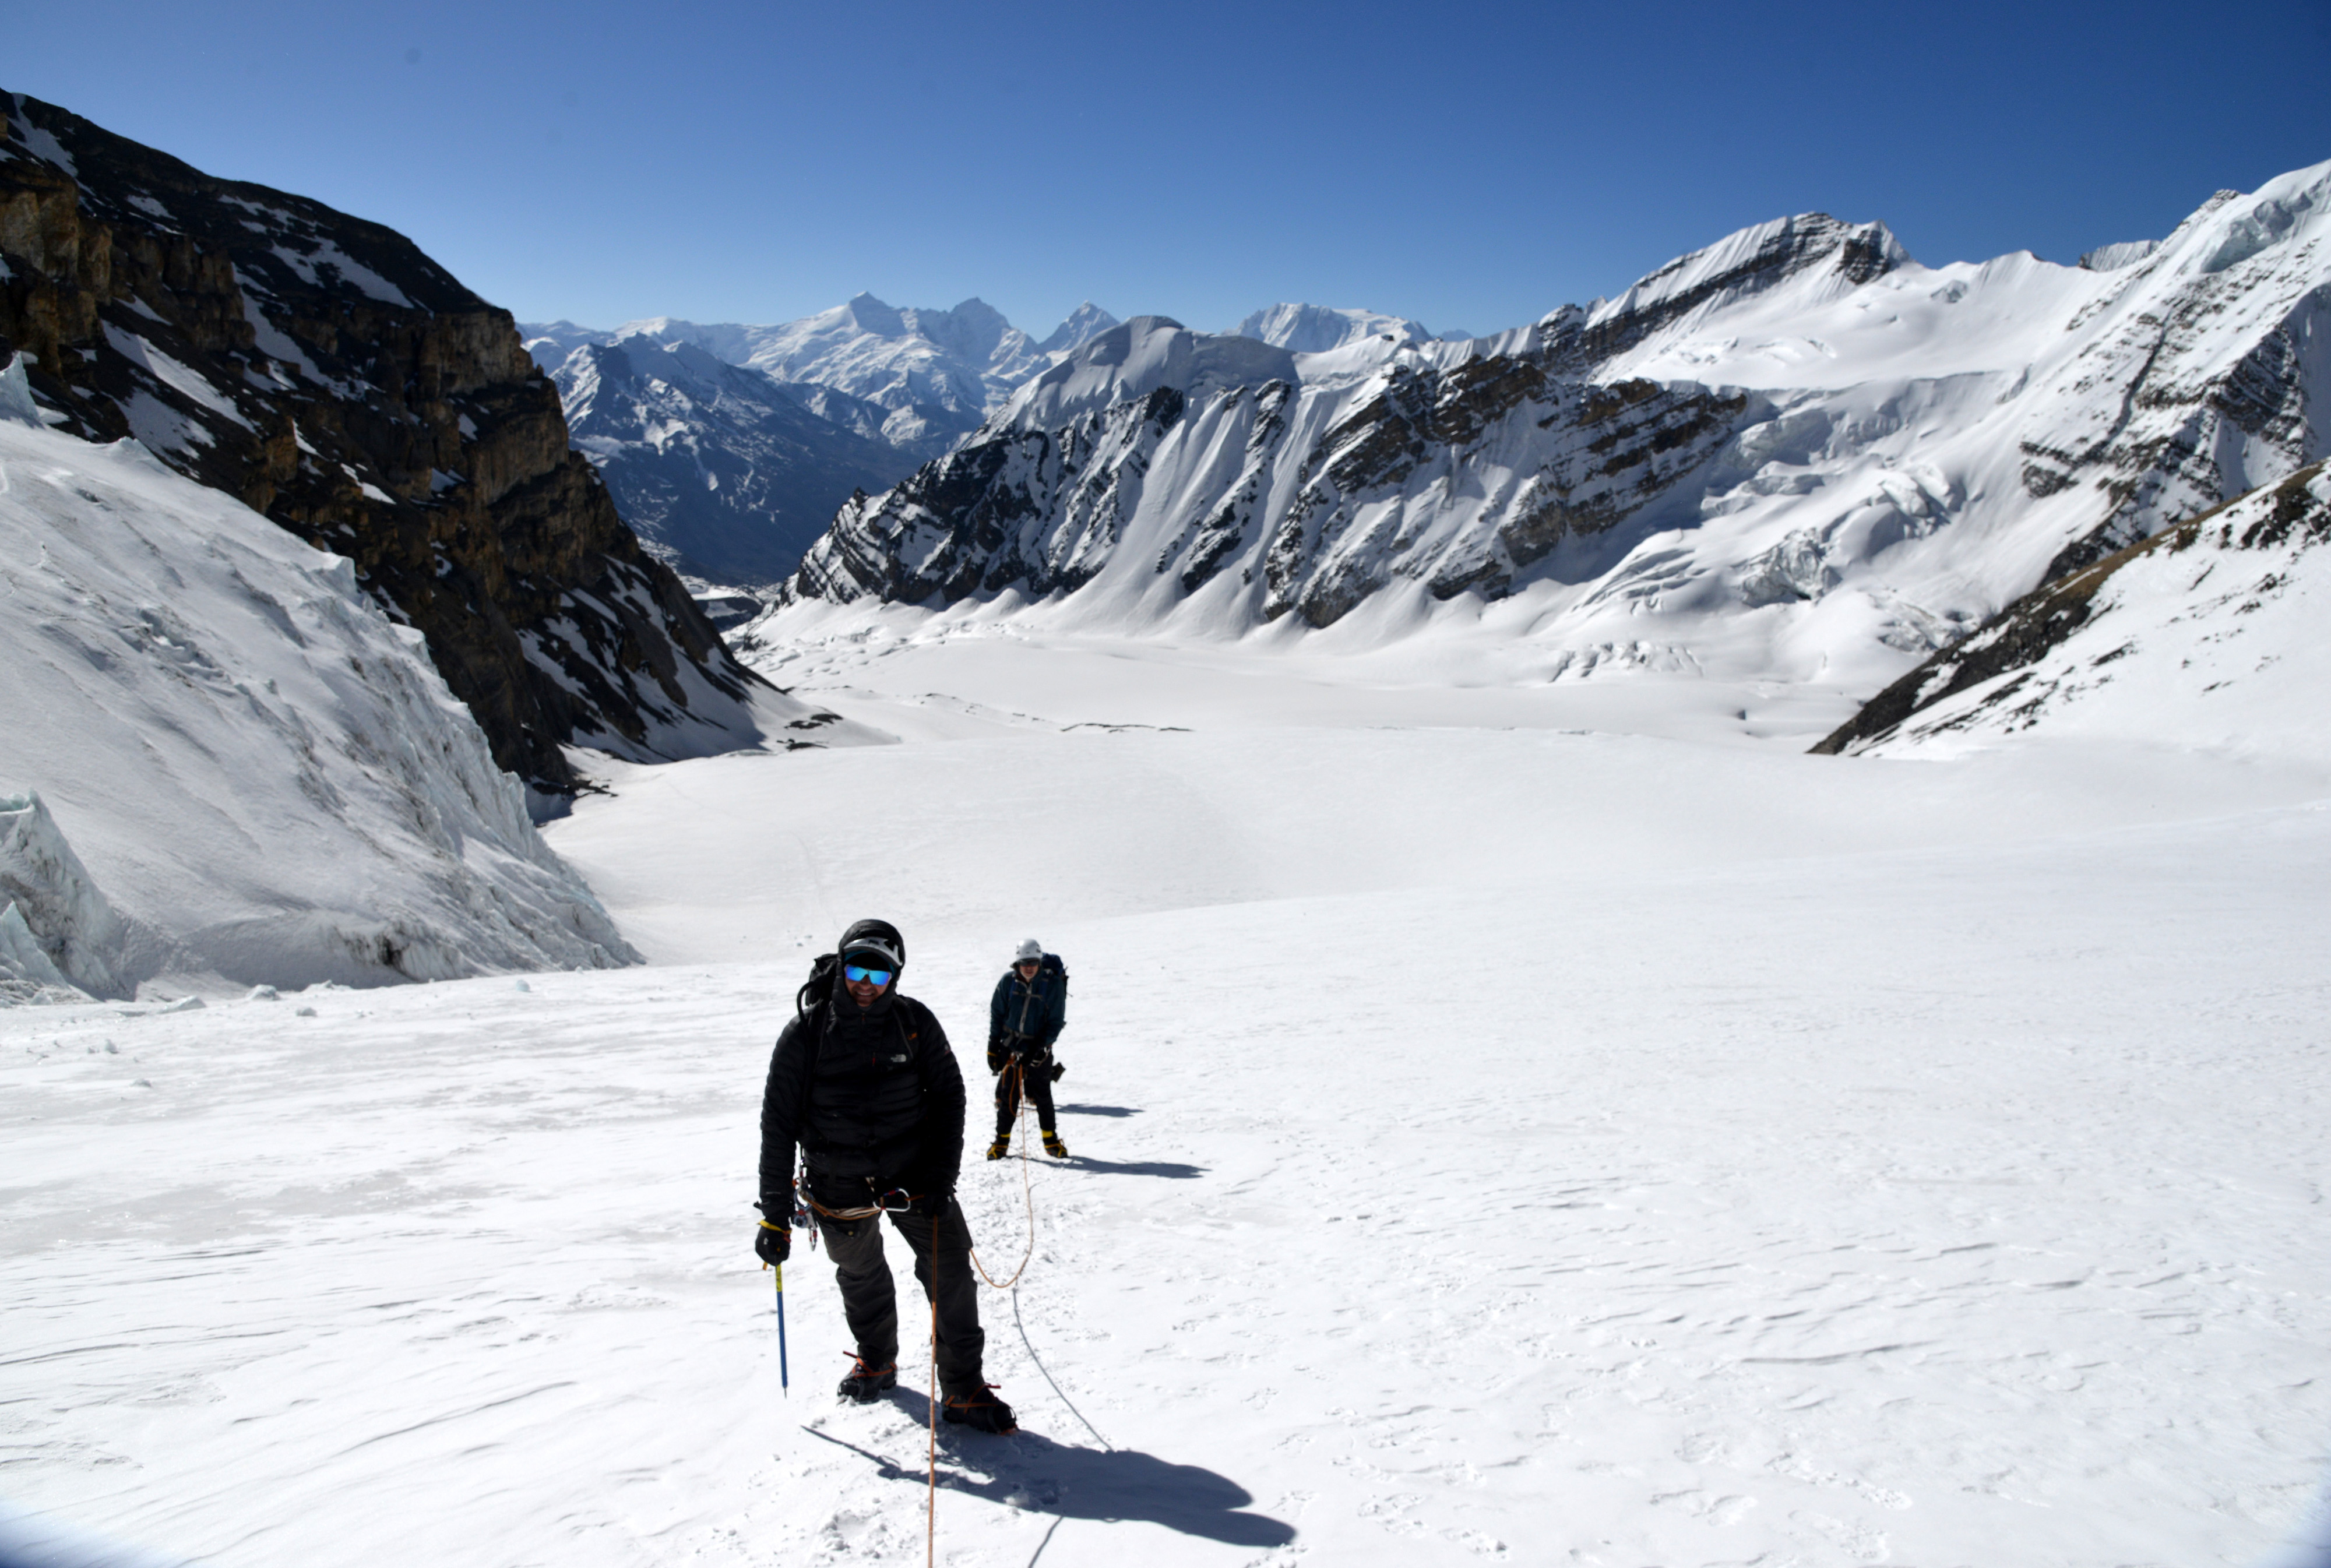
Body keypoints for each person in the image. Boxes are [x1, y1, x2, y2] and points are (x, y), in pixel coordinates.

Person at [754, 918, 1016, 1433]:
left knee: (951, 1273)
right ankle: (878, 1361)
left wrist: (942, 1176)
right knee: (861, 1273)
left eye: (880, 972)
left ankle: (964, 1388)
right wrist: (775, 1217)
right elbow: (778, 1125)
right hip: (837, 1182)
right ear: (841, 966)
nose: (865, 983)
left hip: (915, 1177)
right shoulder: (806, 1033)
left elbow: (949, 1099)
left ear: (896, 974)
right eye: (856, 969)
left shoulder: (914, 1022)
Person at [987, 938, 1068, 1161]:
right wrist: (993, 1046)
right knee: (1008, 1097)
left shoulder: (1052, 985)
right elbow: (997, 1014)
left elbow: (1055, 1022)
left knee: (1042, 1094)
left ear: (1040, 961)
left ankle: (1051, 1140)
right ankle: (1001, 1143)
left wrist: (1037, 1050)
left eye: (1033, 962)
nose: (1029, 967)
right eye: (1024, 962)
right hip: (1011, 1048)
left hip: (1040, 1049)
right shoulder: (1008, 982)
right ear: (1017, 964)